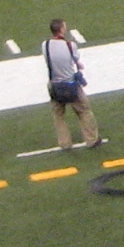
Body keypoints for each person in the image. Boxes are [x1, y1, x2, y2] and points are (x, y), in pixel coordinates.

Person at [44, 18, 99, 150]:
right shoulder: (70, 45)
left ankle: (64, 143)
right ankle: (91, 139)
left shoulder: (45, 45)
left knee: (58, 116)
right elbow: (75, 59)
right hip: (70, 85)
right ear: (62, 29)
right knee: (84, 111)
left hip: (55, 85)